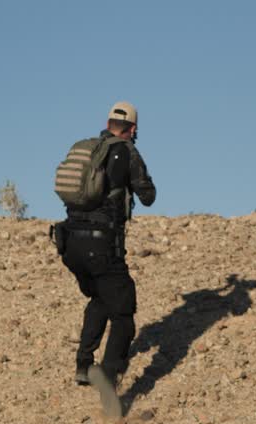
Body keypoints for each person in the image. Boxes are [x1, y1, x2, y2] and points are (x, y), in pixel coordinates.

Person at [60, 101, 157, 407]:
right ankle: (107, 376)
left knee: (101, 297)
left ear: (107, 122)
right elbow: (149, 195)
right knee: (124, 314)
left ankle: (84, 364)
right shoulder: (127, 151)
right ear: (133, 129)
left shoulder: (86, 148)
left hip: (69, 243)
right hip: (102, 245)